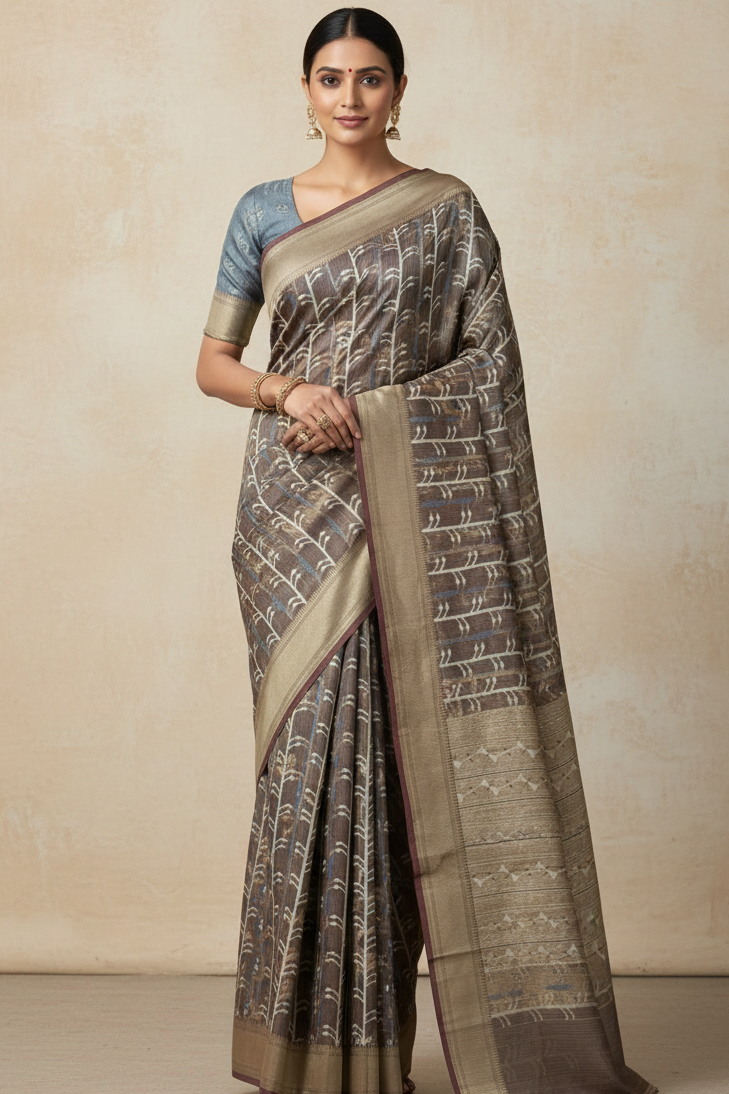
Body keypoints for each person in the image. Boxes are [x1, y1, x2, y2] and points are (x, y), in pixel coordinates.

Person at [196, 8, 658, 1094]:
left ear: (398, 89)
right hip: (291, 514)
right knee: (313, 765)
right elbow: (214, 361)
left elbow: (489, 371)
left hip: (404, 502)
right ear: (303, 91)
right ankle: (308, 1051)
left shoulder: (447, 212)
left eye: (368, 78)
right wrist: (287, 388)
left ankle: (386, 1050)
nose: (348, 97)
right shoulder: (261, 210)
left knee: (405, 771)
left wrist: (374, 409)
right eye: (329, 78)